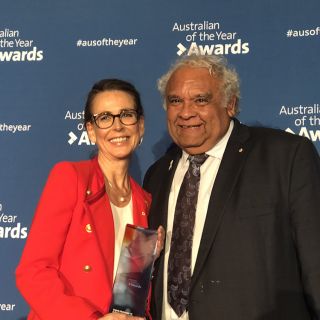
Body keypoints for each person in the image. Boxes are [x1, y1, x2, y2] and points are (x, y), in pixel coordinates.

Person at [143, 54, 320, 320]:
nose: (186, 111)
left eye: (201, 99)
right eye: (175, 100)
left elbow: (315, 265)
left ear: (231, 105)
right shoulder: (156, 175)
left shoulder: (285, 157)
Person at [16, 79, 164, 320]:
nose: (117, 127)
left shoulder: (143, 200)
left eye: (126, 115)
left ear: (141, 126)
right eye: (105, 118)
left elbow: (128, 296)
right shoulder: (70, 177)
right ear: (91, 131)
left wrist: (150, 259)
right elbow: (33, 272)